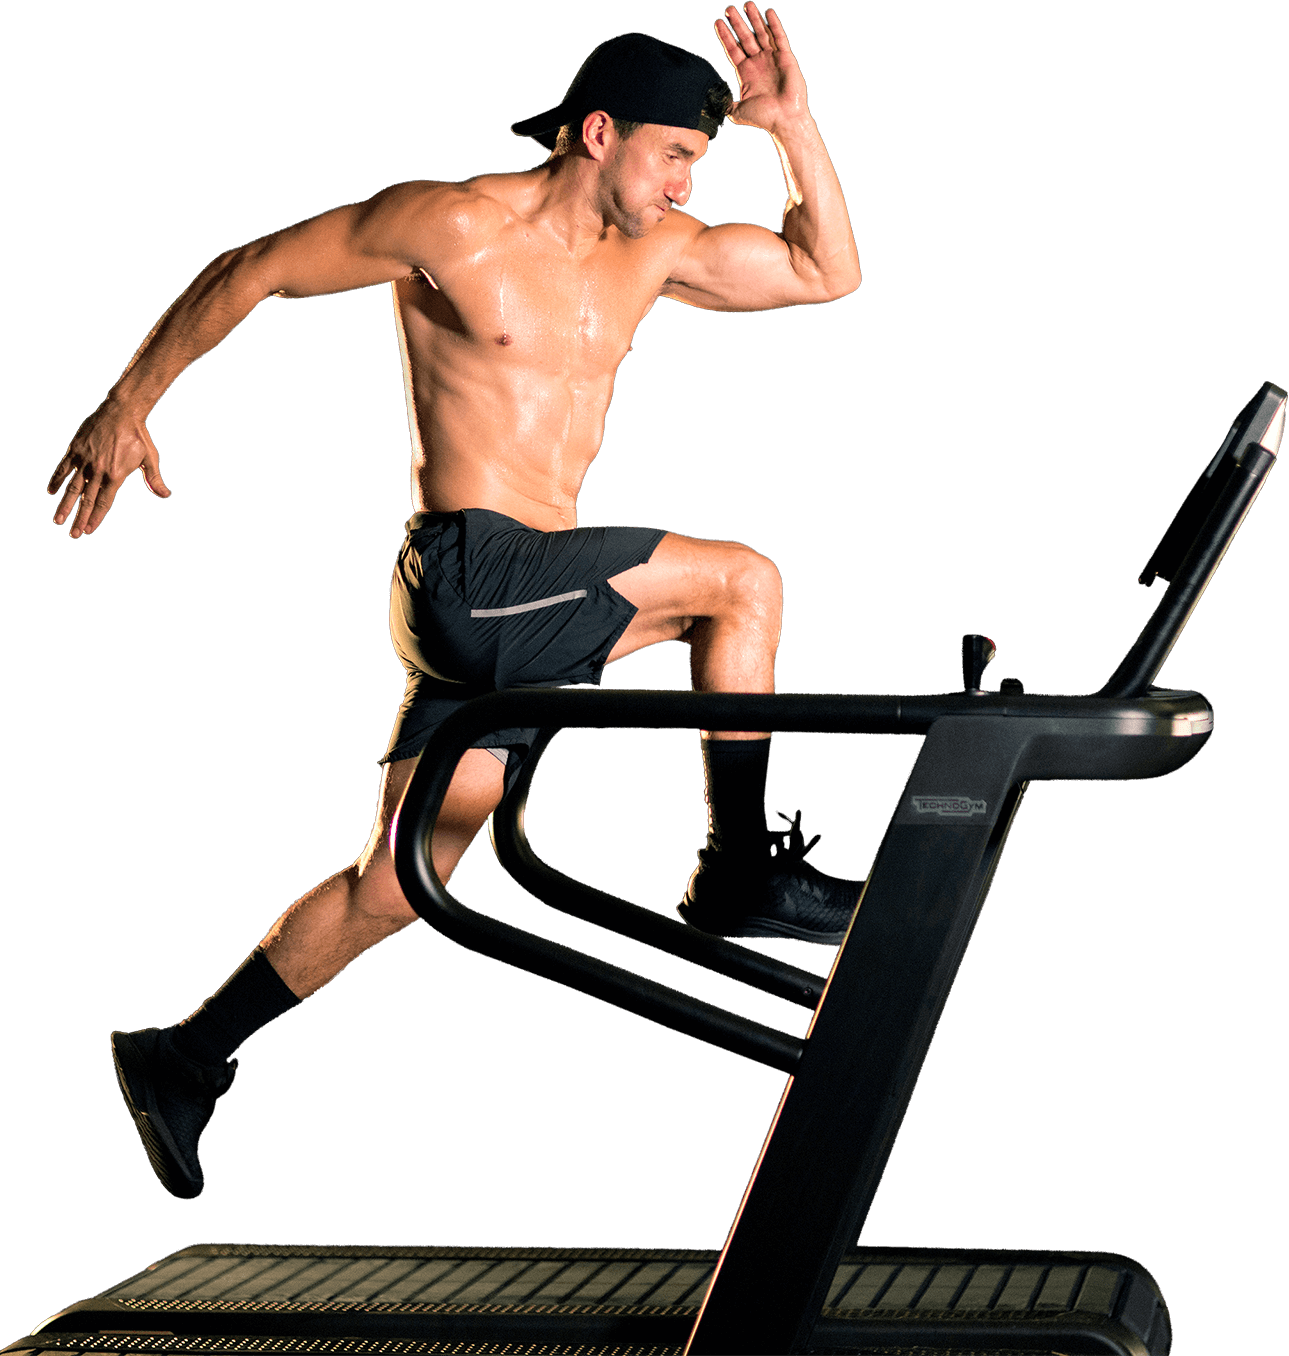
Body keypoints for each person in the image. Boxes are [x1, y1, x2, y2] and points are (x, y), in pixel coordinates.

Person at [50, 4, 861, 1200]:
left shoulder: (656, 251)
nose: (691, 175)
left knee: (402, 882)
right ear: (598, 131)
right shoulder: (454, 224)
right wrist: (127, 404)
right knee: (744, 582)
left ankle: (183, 1055)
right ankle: (740, 868)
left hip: (532, 605)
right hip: (475, 574)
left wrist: (790, 124)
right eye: (677, 152)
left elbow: (825, 270)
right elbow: (253, 269)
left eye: (701, 160)